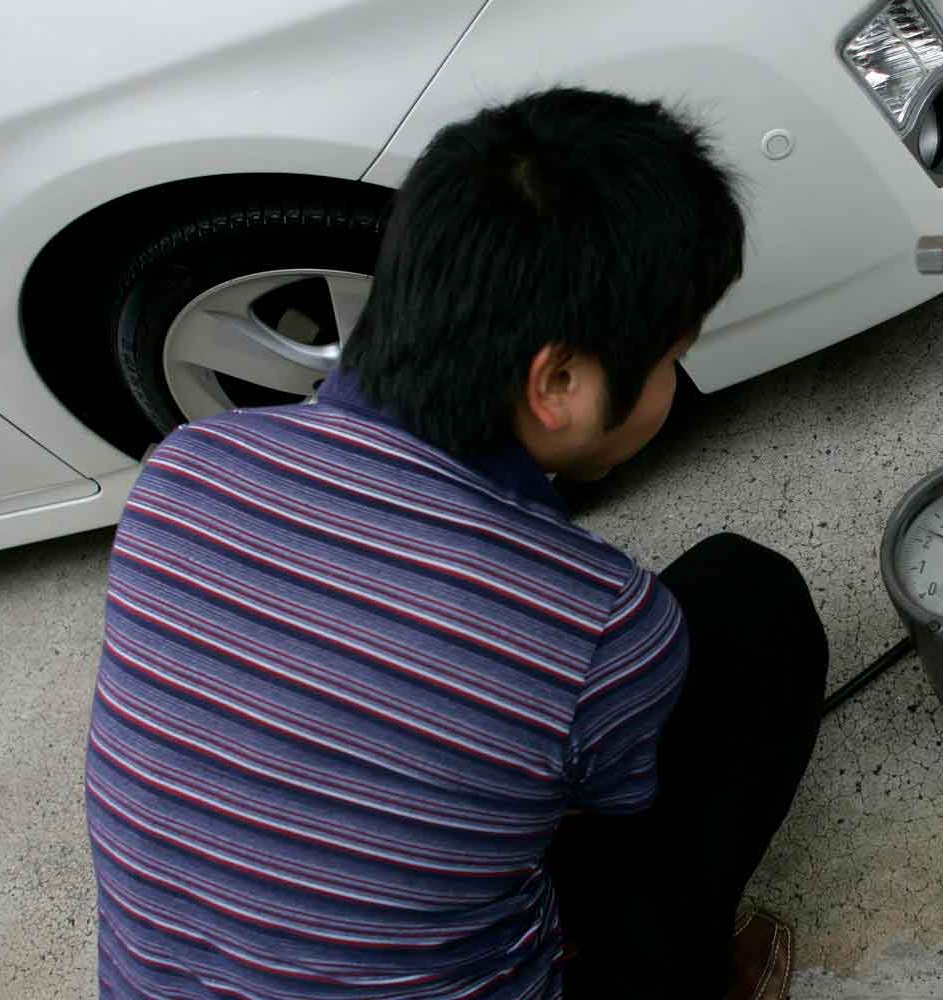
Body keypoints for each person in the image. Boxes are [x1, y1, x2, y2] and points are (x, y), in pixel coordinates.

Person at [85, 87, 829, 1000]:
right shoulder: (598, 626)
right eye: (671, 356)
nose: (672, 378)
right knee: (750, 605)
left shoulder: (185, 469)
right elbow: (612, 814)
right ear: (558, 381)